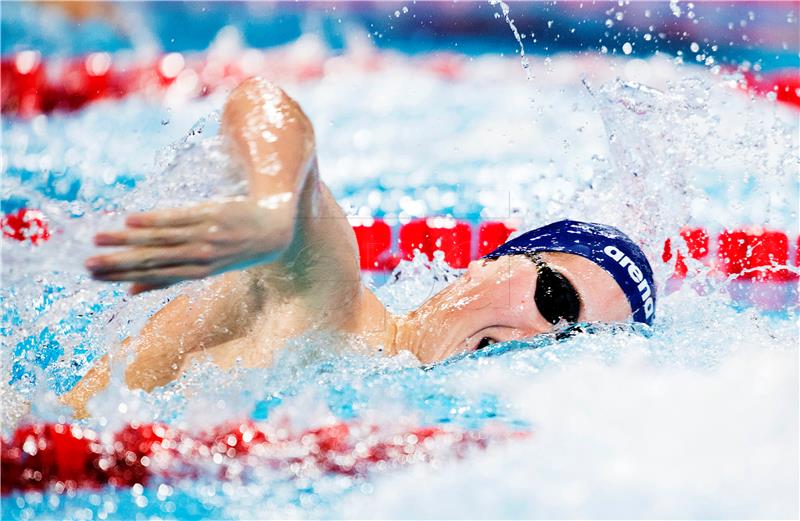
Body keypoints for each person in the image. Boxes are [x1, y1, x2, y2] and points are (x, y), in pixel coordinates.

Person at [63, 77, 656, 418]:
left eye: (579, 343)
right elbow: (264, 105)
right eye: (556, 297)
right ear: (488, 264)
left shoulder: (402, 417)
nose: (550, 337)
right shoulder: (336, 307)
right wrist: (272, 209)